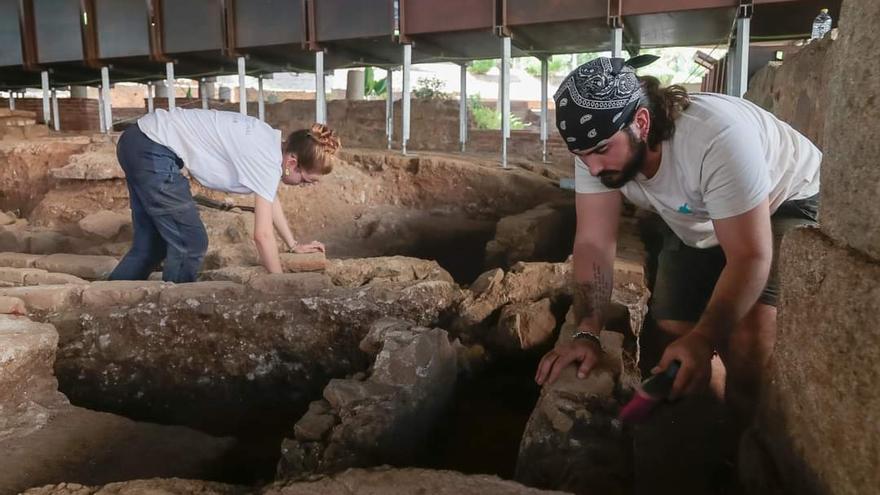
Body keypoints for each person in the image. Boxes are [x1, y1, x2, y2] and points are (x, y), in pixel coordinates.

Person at [534, 57, 821, 420]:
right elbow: (593, 241)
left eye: (602, 151)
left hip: (786, 199)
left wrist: (705, 337)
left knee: (749, 338)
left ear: (641, 121)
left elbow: (750, 256)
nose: (592, 168)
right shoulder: (596, 145)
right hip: (697, 211)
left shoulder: (716, 140)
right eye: (581, 156)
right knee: (673, 326)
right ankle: (706, 419)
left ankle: (748, 441)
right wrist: (587, 332)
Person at [109, 108, 340, 283]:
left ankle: (106, 303)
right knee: (191, 242)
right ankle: (175, 313)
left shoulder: (269, 144)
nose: (304, 186)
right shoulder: (266, 159)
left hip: (138, 140)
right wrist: (278, 283)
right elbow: (262, 235)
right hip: (153, 148)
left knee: (151, 246)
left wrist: (293, 244)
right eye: (306, 181)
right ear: (292, 163)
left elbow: (269, 198)